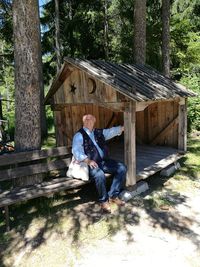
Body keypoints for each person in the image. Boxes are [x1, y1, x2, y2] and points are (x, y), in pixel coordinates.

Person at [72, 114, 127, 213]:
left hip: (103, 161)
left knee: (122, 168)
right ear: (83, 122)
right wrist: (87, 160)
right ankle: (104, 201)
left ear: (94, 121)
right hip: (89, 164)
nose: (89, 121)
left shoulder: (98, 132)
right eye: (86, 119)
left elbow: (110, 131)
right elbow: (76, 151)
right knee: (99, 175)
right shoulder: (79, 135)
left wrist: (122, 128)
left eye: (91, 119)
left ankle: (113, 195)